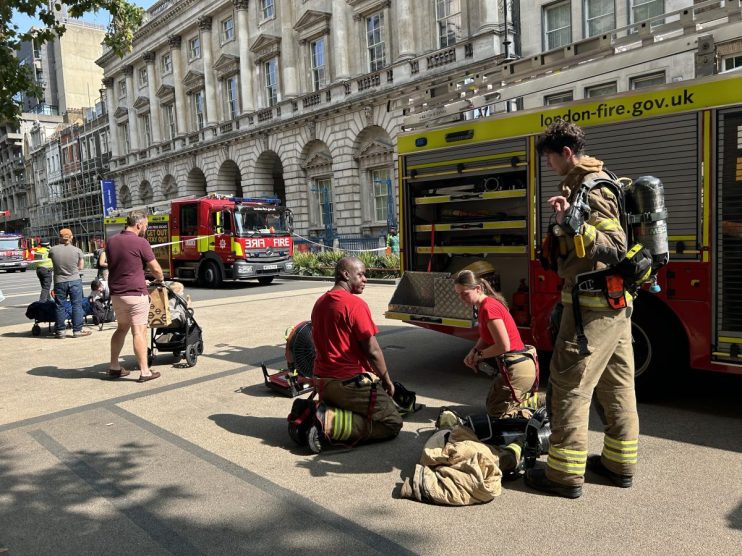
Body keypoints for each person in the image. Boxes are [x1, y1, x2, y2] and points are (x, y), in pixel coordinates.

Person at [524, 119, 638, 499]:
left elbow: (615, 245)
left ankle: (563, 476)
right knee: (617, 386)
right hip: (613, 305)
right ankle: (618, 465)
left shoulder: (591, 187)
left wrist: (574, 225)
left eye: (551, 160)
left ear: (567, 154)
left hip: (592, 307)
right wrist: (564, 223)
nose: (550, 167)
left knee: (569, 384)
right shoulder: (591, 183)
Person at [309, 256, 402, 451]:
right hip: (347, 384)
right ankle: (329, 425)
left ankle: (329, 413)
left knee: (373, 409)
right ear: (345, 274)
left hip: (323, 383)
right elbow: (373, 350)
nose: (365, 279)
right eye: (360, 274)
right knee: (392, 422)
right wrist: (386, 381)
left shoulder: (320, 303)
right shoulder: (354, 305)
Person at [453, 269, 538, 418]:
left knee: (496, 413)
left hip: (518, 369)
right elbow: (486, 338)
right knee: (492, 404)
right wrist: (473, 351)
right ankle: (526, 400)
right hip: (516, 366)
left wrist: (479, 355)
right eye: (458, 294)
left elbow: (503, 346)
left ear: (478, 289)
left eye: (464, 293)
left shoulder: (488, 308)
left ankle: (535, 404)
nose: (461, 298)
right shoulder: (483, 305)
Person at [107, 211, 164, 382]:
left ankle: (114, 366)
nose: (145, 228)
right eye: (145, 225)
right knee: (139, 332)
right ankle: (145, 371)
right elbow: (155, 269)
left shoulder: (111, 241)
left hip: (117, 294)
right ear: (139, 225)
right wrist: (159, 278)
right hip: (135, 292)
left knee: (121, 328)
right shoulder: (141, 242)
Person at [48, 229, 90, 338]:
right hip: (75, 280)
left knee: (60, 306)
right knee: (76, 305)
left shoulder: (53, 250)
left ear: (60, 237)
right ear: (71, 237)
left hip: (59, 281)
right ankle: (77, 331)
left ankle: (61, 331)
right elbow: (80, 267)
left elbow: (52, 262)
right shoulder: (77, 250)